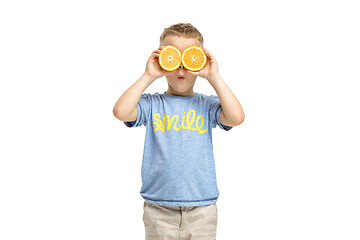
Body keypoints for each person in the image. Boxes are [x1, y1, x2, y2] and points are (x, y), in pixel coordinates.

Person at [113, 23, 245, 240]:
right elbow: (120, 111)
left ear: (199, 61)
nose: (181, 68)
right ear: (163, 59)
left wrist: (214, 77)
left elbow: (236, 117)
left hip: (202, 209)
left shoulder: (206, 104)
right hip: (159, 209)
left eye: (189, 60)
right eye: (174, 59)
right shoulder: (153, 104)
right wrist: (149, 75)